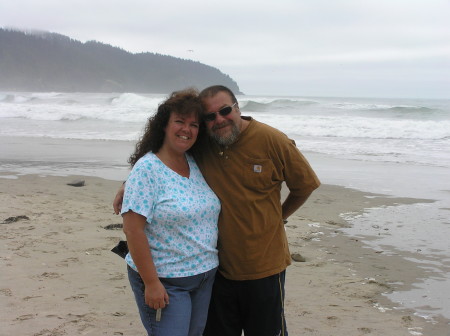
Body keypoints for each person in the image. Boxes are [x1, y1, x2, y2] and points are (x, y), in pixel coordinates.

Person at [114, 85, 320, 336]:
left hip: (263, 266)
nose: (219, 120)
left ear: (237, 108)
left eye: (224, 111)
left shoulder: (271, 139)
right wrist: (129, 184)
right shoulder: (204, 145)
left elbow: (305, 185)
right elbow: (162, 160)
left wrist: (280, 217)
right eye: (209, 117)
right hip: (218, 270)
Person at [120, 88, 220, 336]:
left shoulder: (196, 163)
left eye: (194, 124)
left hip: (204, 276)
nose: (187, 129)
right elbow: (133, 230)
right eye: (179, 121)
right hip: (166, 281)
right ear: (164, 125)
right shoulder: (147, 169)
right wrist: (152, 283)